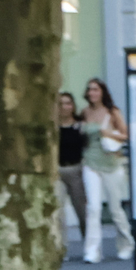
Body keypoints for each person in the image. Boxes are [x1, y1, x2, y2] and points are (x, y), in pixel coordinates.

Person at [80, 78, 134, 263]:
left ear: (102, 91)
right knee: (93, 207)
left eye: (95, 89)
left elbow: (126, 135)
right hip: (90, 162)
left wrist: (108, 133)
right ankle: (92, 251)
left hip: (112, 164)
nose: (92, 93)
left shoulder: (113, 112)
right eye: (90, 90)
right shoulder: (84, 112)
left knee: (115, 208)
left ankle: (126, 244)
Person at [55, 91, 87, 252]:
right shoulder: (52, 128)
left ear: (73, 106)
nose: (64, 107)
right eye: (60, 104)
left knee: (81, 210)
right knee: (58, 211)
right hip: (58, 171)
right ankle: (62, 248)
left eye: (68, 103)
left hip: (76, 170)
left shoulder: (79, 126)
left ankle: (88, 243)